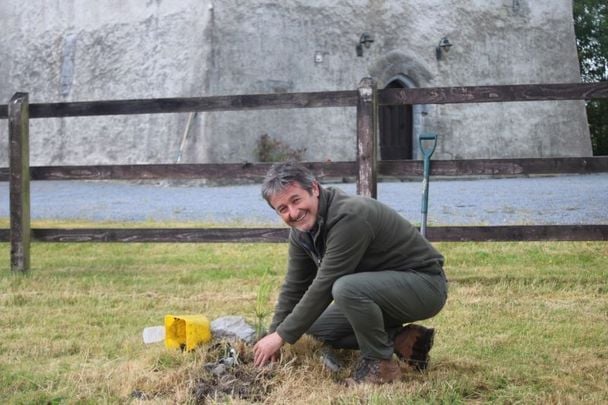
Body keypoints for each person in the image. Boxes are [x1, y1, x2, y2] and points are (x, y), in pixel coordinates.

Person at [253, 161, 448, 384]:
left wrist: (281, 336)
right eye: (283, 209)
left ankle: (380, 365)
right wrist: (272, 334)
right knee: (310, 331)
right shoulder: (301, 232)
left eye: (296, 200)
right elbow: (294, 286)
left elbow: (326, 284)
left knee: (344, 288)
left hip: (424, 286)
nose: (293, 213)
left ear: (314, 189)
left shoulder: (350, 216)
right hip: (379, 293)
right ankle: (403, 341)